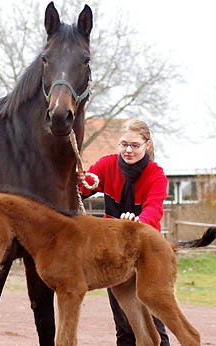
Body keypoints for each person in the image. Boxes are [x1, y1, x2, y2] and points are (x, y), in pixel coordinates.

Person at [77, 118, 170, 346]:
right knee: (125, 326)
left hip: (148, 254)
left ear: (147, 145)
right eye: (123, 144)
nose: (128, 150)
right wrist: (81, 180)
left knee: (155, 325)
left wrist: (136, 224)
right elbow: (83, 189)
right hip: (115, 256)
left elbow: (154, 209)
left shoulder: (157, 175)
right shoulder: (107, 165)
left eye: (135, 145)